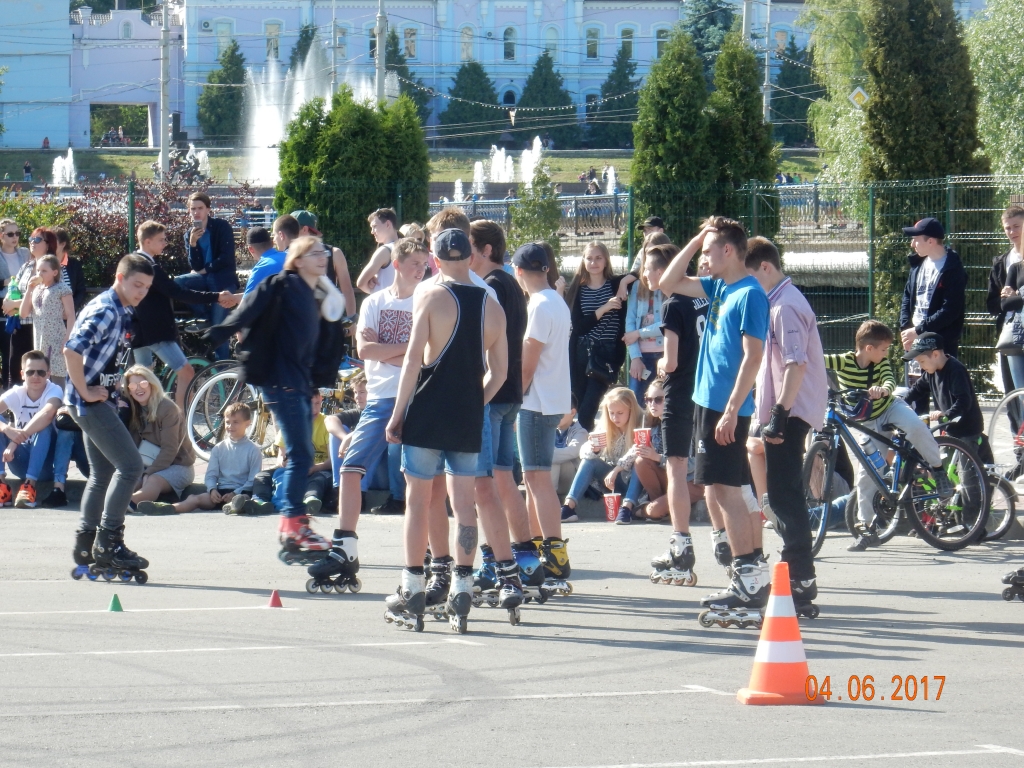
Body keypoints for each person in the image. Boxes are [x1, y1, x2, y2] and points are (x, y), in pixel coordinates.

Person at [383, 228, 507, 631]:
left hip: (427, 411)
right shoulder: (492, 306)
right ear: (470, 257)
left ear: (435, 260)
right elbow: (500, 372)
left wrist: (397, 414)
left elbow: (412, 362)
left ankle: (412, 587)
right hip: (466, 416)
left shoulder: (430, 296)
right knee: (464, 504)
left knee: (417, 501)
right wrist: (474, 403)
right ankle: (462, 588)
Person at [657, 217, 770, 617]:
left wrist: (732, 410)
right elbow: (667, 283)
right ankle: (753, 575)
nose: (703, 259)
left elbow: (753, 357)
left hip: (726, 408)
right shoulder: (720, 287)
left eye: (708, 251)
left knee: (725, 492)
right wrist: (696, 239)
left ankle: (748, 581)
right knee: (727, 490)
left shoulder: (750, 295)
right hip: (708, 403)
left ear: (728, 250)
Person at [308, 240, 427, 591]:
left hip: (418, 397)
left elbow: (425, 356)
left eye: (424, 264)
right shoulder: (375, 302)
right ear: (397, 264)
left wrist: (391, 352)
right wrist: (408, 351)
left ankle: (432, 556)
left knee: (422, 478)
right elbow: (365, 349)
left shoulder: (428, 299)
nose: (421, 269)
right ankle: (345, 547)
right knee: (350, 467)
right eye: (415, 263)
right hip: (380, 398)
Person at [206, 237, 334, 559]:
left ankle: (294, 525)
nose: (322, 257)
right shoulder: (282, 285)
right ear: (298, 260)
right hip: (281, 381)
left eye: (323, 252)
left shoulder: (317, 293)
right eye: (314, 253)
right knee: (300, 454)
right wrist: (219, 332)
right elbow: (249, 309)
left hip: (300, 382)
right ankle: (293, 525)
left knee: (301, 453)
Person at [747, 236, 829, 610]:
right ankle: (799, 572)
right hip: (787, 410)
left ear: (765, 267)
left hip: (791, 412)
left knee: (785, 496)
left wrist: (780, 412)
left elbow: (796, 363)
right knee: (783, 494)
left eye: (751, 276)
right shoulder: (779, 302)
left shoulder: (785, 306)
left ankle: (799, 575)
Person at [825, 320, 953, 551]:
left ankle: (938, 468)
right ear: (869, 348)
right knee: (867, 474)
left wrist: (883, 389)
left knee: (916, 427)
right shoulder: (844, 361)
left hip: (890, 408)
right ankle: (867, 529)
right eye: (884, 349)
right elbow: (818, 360)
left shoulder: (881, 363)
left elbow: (889, 380)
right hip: (868, 422)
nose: (886, 354)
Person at [64, 254, 153, 579]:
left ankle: (86, 544)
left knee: (101, 474)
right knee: (131, 467)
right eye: (137, 284)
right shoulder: (106, 310)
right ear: (120, 277)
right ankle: (109, 542)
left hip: (98, 401)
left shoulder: (122, 309)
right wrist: (86, 392)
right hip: (89, 404)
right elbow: (71, 350)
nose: (141, 292)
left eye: (146, 287)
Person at [466, 219, 533, 608]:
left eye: (470, 247)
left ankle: (494, 561)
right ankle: (525, 557)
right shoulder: (509, 283)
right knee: (505, 480)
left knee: (484, 485)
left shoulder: (490, 285)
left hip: (493, 391)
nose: (465, 255)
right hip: (510, 393)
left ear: (486, 249)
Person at [513, 242, 574, 590]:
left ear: (519, 271)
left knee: (537, 479)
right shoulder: (555, 301)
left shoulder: (538, 304)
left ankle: (554, 552)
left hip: (536, 402)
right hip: (550, 399)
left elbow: (528, 363)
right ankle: (540, 547)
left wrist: (513, 398)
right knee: (534, 479)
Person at [131, 220, 234, 410]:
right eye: (161, 240)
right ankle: (181, 420)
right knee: (186, 372)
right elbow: (177, 292)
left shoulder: (133, 262)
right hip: (156, 330)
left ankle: (143, 420)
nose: (165, 243)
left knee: (143, 380)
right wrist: (216, 296)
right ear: (147, 242)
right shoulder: (149, 267)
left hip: (139, 329)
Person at [147, 402, 264, 514]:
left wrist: (235, 493)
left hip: (241, 491)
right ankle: (169, 508)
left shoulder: (253, 450)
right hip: (220, 492)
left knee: (244, 498)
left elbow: (252, 480)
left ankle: (234, 506)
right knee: (195, 498)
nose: (230, 426)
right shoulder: (218, 448)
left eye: (236, 422)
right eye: (227, 422)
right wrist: (212, 490)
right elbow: (211, 475)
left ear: (247, 423)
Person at [565, 241, 634, 431]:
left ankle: (585, 444)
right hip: (582, 353)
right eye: (589, 258)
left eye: (598, 258)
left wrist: (624, 282)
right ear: (583, 261)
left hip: (606, 355)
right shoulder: (577, 288)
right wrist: (604, 308)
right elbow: (579, 327)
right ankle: (585, 443)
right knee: (579, 405)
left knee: (588, 409)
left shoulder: (616, 284)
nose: (593, 263)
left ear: (606, 261)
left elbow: (642, 270)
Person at [560, 386, 640, 523]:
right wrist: (594, 449)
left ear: (631, 410)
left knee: (640, 462)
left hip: (635, 482)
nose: (615, 417)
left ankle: (627, 508)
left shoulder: (642, 422)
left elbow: (638, 449)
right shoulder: (606, 425)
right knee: (589, 461)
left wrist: (617, 469)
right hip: (612, 481)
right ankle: (568, 507)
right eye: (611, 413)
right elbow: (583, 453)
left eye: (620, 413)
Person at [124, 366, 196, 513]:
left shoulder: (168, 408)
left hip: (178, 465)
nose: (138, 389)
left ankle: (129, 503)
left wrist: (149, 472)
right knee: (131, 479)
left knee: (153, 480)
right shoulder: (133, 409)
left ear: (152, 384)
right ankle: (117, 501)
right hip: (147, 463)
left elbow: (169, 450)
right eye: (133, 386)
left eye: (143, 383)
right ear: (129, 390)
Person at [251, 389, 333, 515]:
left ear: (321, 400)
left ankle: (310, 500)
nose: (314, 409)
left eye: (317, 403)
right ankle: (259, 501)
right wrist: (284, 462)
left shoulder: (326, 422)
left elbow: (332, 461)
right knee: (262, 476)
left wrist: (315, 468)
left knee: (319, 479)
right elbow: (280, 457)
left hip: (319, 468)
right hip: (295, 467)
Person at [177, 192, 238, 359]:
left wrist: (206, 270)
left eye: (200, 208)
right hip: (203, 279)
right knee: (178, 283)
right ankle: (205, 317)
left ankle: (222, 367)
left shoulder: (221, 227)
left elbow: (226, 257)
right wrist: (193, 244)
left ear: (208, 210)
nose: (196, 212)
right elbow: (195, 266)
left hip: (222, 280)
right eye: (193, 209)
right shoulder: (189, 234)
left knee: (219, 328)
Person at [0, 350, 64, 508]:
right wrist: (7, 429)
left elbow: (47, 414)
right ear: (22, 374)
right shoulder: (17, 392)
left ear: (48, 374)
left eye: (41, 372)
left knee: (44, 427)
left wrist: (14, 441)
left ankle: (29, 486)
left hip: (46, 465)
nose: (35, 376)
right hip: (18, 460)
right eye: (30, 372)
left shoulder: (54, 390)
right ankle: (2, 486)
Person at [899, 218, 967, 359]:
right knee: (914, 375)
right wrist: (906, 330)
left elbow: (950, 310)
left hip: (940, 345)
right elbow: (907, 297)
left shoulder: (953, 268)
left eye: (915, 239)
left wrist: (919, 330)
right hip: (914, 340)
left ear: (930, 241)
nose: (912, 244)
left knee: (939, 375)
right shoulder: (918, 264)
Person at [624, 237, 671, 403]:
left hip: (665, 353)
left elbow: (668, 324)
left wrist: (639, 333)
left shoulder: (672, 287)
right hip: (641, 356)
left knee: (663, 404)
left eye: (656, 251)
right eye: (647, 252)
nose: (651, 256)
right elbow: (630, 322)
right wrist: (635, 357)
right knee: (636, 403)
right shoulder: (638, 285)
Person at [20, 254, 75, 388]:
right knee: (41, 376)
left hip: (56, 340)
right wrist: (29, 289)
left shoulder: (62, 289)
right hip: (40, 340)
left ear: (54, 272)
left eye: (44, 271)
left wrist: (68, 339)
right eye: (38, 270)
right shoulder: (37, 289)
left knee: (57, 378)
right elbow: (23, 313)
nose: (39, 274)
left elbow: (71, 315)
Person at [292, 210, 356, 318]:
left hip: (326, 320)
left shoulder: (334, 253)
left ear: (305, 229)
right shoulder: (289, 255)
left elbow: (347, 290)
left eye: (292, 229)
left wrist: (351, 319)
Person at [988, 206, 1024, 403]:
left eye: (1017, 226)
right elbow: (996, 303)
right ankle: (1016, 424)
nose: (1012, 232)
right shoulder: (1003, 263)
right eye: (1007, 228)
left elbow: (1010, 299)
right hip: (1011, 333)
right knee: (1014, 392)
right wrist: (1011, 300)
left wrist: (1016, 296)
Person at [623, 377, 670, 522]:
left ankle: (644, 510)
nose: (652, 404)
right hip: (667, 478)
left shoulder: (682, 426)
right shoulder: (654, 427)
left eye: (658, 400)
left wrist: (658, 457)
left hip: (687, 481)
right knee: (641, 461)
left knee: (654, 510)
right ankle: (657, 504)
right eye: (648, 400)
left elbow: (691, 465)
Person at [0, 219, 29, 388]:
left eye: (17, 233)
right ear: (1, 236)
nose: (15, 237)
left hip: (21, 307)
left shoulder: (24, 253)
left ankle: (15, 389)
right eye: (10, 234)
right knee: (6, 350)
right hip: (3, 306)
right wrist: (4, 282)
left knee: (16, 353)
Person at [551, 395, 588, 497]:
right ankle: (548, 495)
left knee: (552, 459)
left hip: (571, 479)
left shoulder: (581, 432)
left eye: (559, 411)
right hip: (550, 476)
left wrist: (546, 455)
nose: (555, 415)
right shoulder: (549, 430)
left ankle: (550, 497)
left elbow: (573, 451)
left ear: (572, 412)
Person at [356, 208, 399, 294]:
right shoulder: (409, 247)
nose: (372, 232)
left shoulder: (385, 251)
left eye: (375, 226)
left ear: (388, 224)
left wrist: (375, 293)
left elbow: (360, 283)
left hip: (386, 301)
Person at [241, 225, 287, 297]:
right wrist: (235, 297)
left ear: (251, 249)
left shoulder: (261, 268)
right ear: (272, 243)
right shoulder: (290, 257)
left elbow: (247, 301)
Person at [52, 227, 87, 313]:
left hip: (68, 315)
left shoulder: (74, 264)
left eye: (52, 241)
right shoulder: (44, 263)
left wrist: (70, 309)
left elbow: (81, 291)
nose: (49, 245)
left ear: (63, 244)